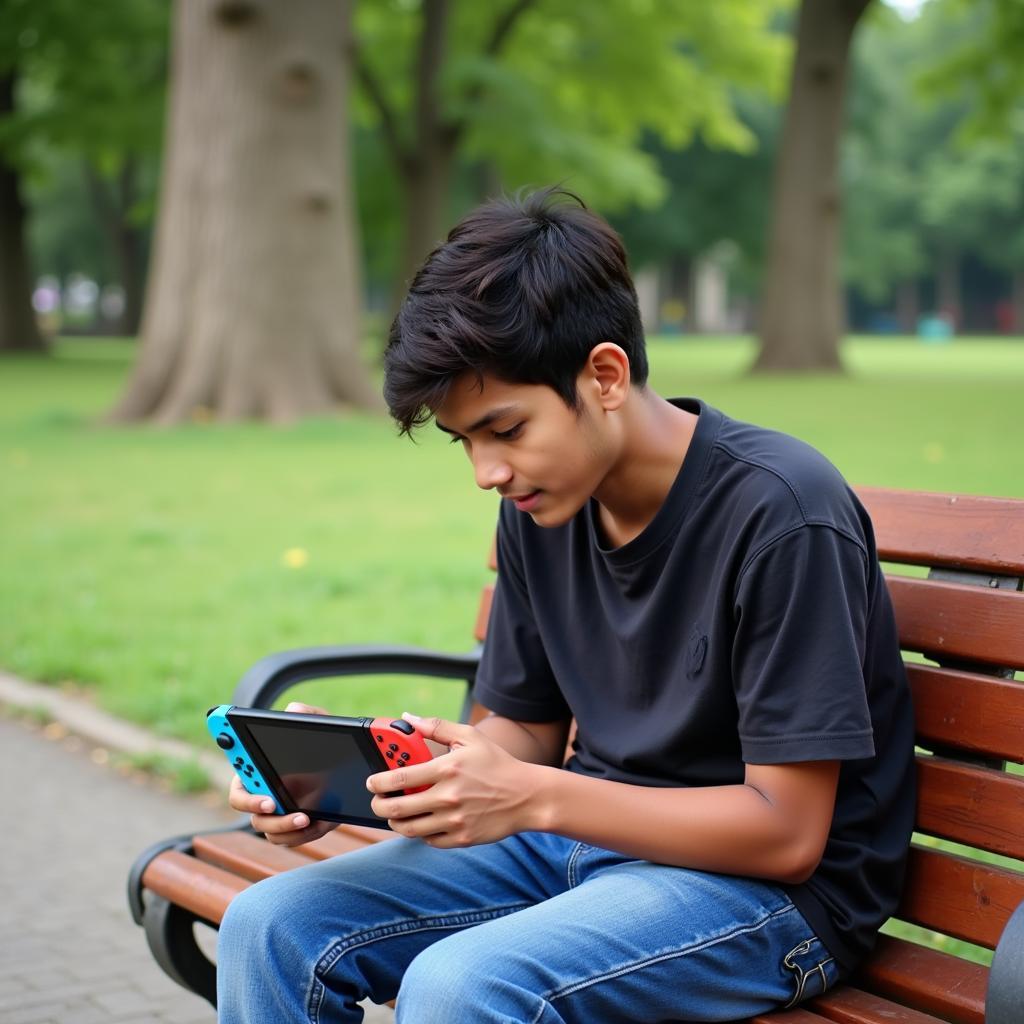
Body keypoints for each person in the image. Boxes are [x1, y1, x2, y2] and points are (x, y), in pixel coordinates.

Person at [217, 188, 916, 1024]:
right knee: (271, 924)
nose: (487, 471)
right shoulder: (543, 505)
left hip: (771, 898)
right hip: (579, 842)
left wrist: (534, 797)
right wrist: (364, 780)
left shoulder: (782, 512)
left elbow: (786, 835)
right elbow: (521, 736)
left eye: (505, 430)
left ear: (606, 374)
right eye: (464, 441)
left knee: (462, 987)